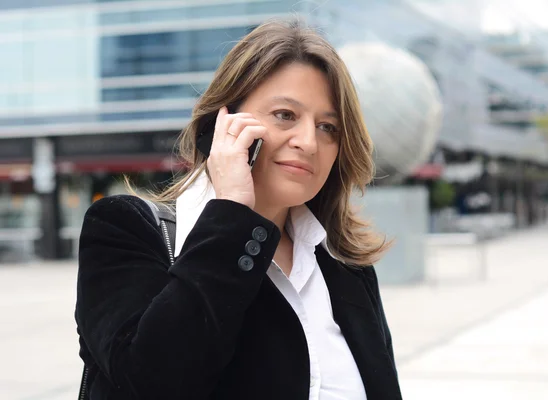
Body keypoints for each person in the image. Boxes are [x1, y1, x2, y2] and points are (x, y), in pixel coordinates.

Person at [75, 18, 402, 400]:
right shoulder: (126, 229)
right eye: (285, 115)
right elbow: (154, 382)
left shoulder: (345, 266)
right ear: (223, 123)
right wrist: (230, 212)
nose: (309, 142)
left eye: (328, 127)